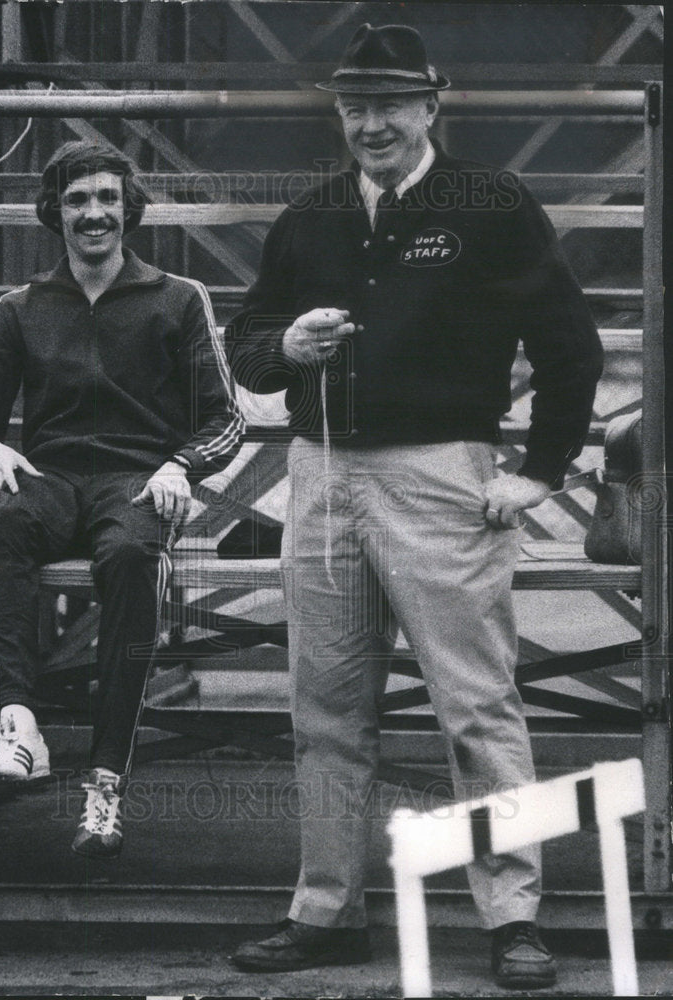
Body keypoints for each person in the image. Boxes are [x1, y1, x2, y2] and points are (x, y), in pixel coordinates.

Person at [226, 23, 602, 989]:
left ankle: (514, 915)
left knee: (476, 706)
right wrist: (286, 351)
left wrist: (539, 472)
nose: (371, 122)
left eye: (391, 103)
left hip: (442, 479)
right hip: (321, 477)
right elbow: (247, 340)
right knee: (325, 709)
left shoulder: (491, 203)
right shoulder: (311, 216)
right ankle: (327, 911)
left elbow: (571, 348)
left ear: (433, 105)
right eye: (355, 105)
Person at [0, 140, 244, 859]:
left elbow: (227, 419)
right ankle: (19, 728)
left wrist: (181, 466)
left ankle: (106, 784)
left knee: (129, 557)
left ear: (128, 209)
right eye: (78, 200)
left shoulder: (177, 298)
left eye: (107, 199)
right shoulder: (20, 308)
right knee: (3, 526)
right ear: (54, 211)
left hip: (138, 481)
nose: (94, 214)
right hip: (51, 478)